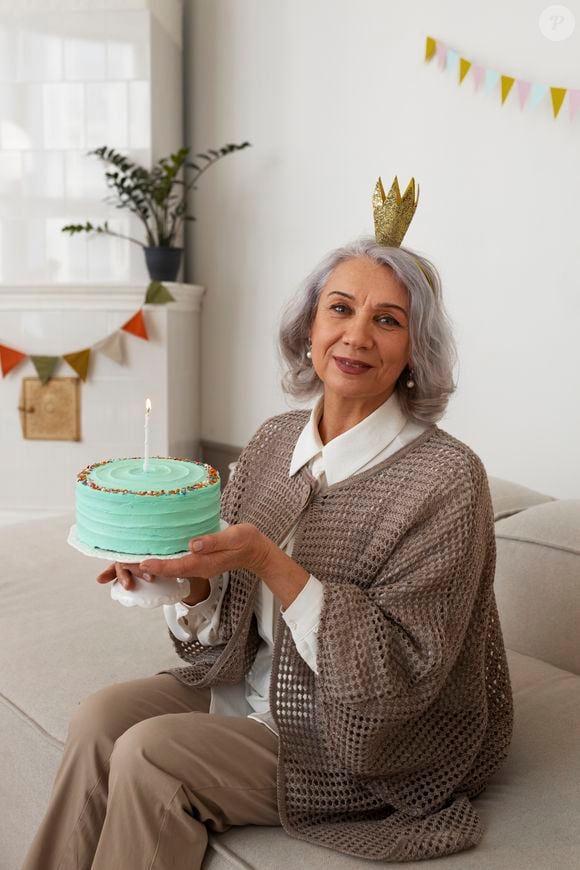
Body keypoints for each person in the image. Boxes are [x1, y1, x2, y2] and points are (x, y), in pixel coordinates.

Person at [22, 178, 513, 869]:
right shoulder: (275, 440)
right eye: (339, 308)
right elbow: (223, 620)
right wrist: (187, 583)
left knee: (151, 754)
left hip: (356, 741)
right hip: (251, 687)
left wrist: (269, 562)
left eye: (388, 320)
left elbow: (399, 682)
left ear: (415, 350)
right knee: (99, 718)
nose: (356, 335)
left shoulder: (447, 479)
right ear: (309, 327)